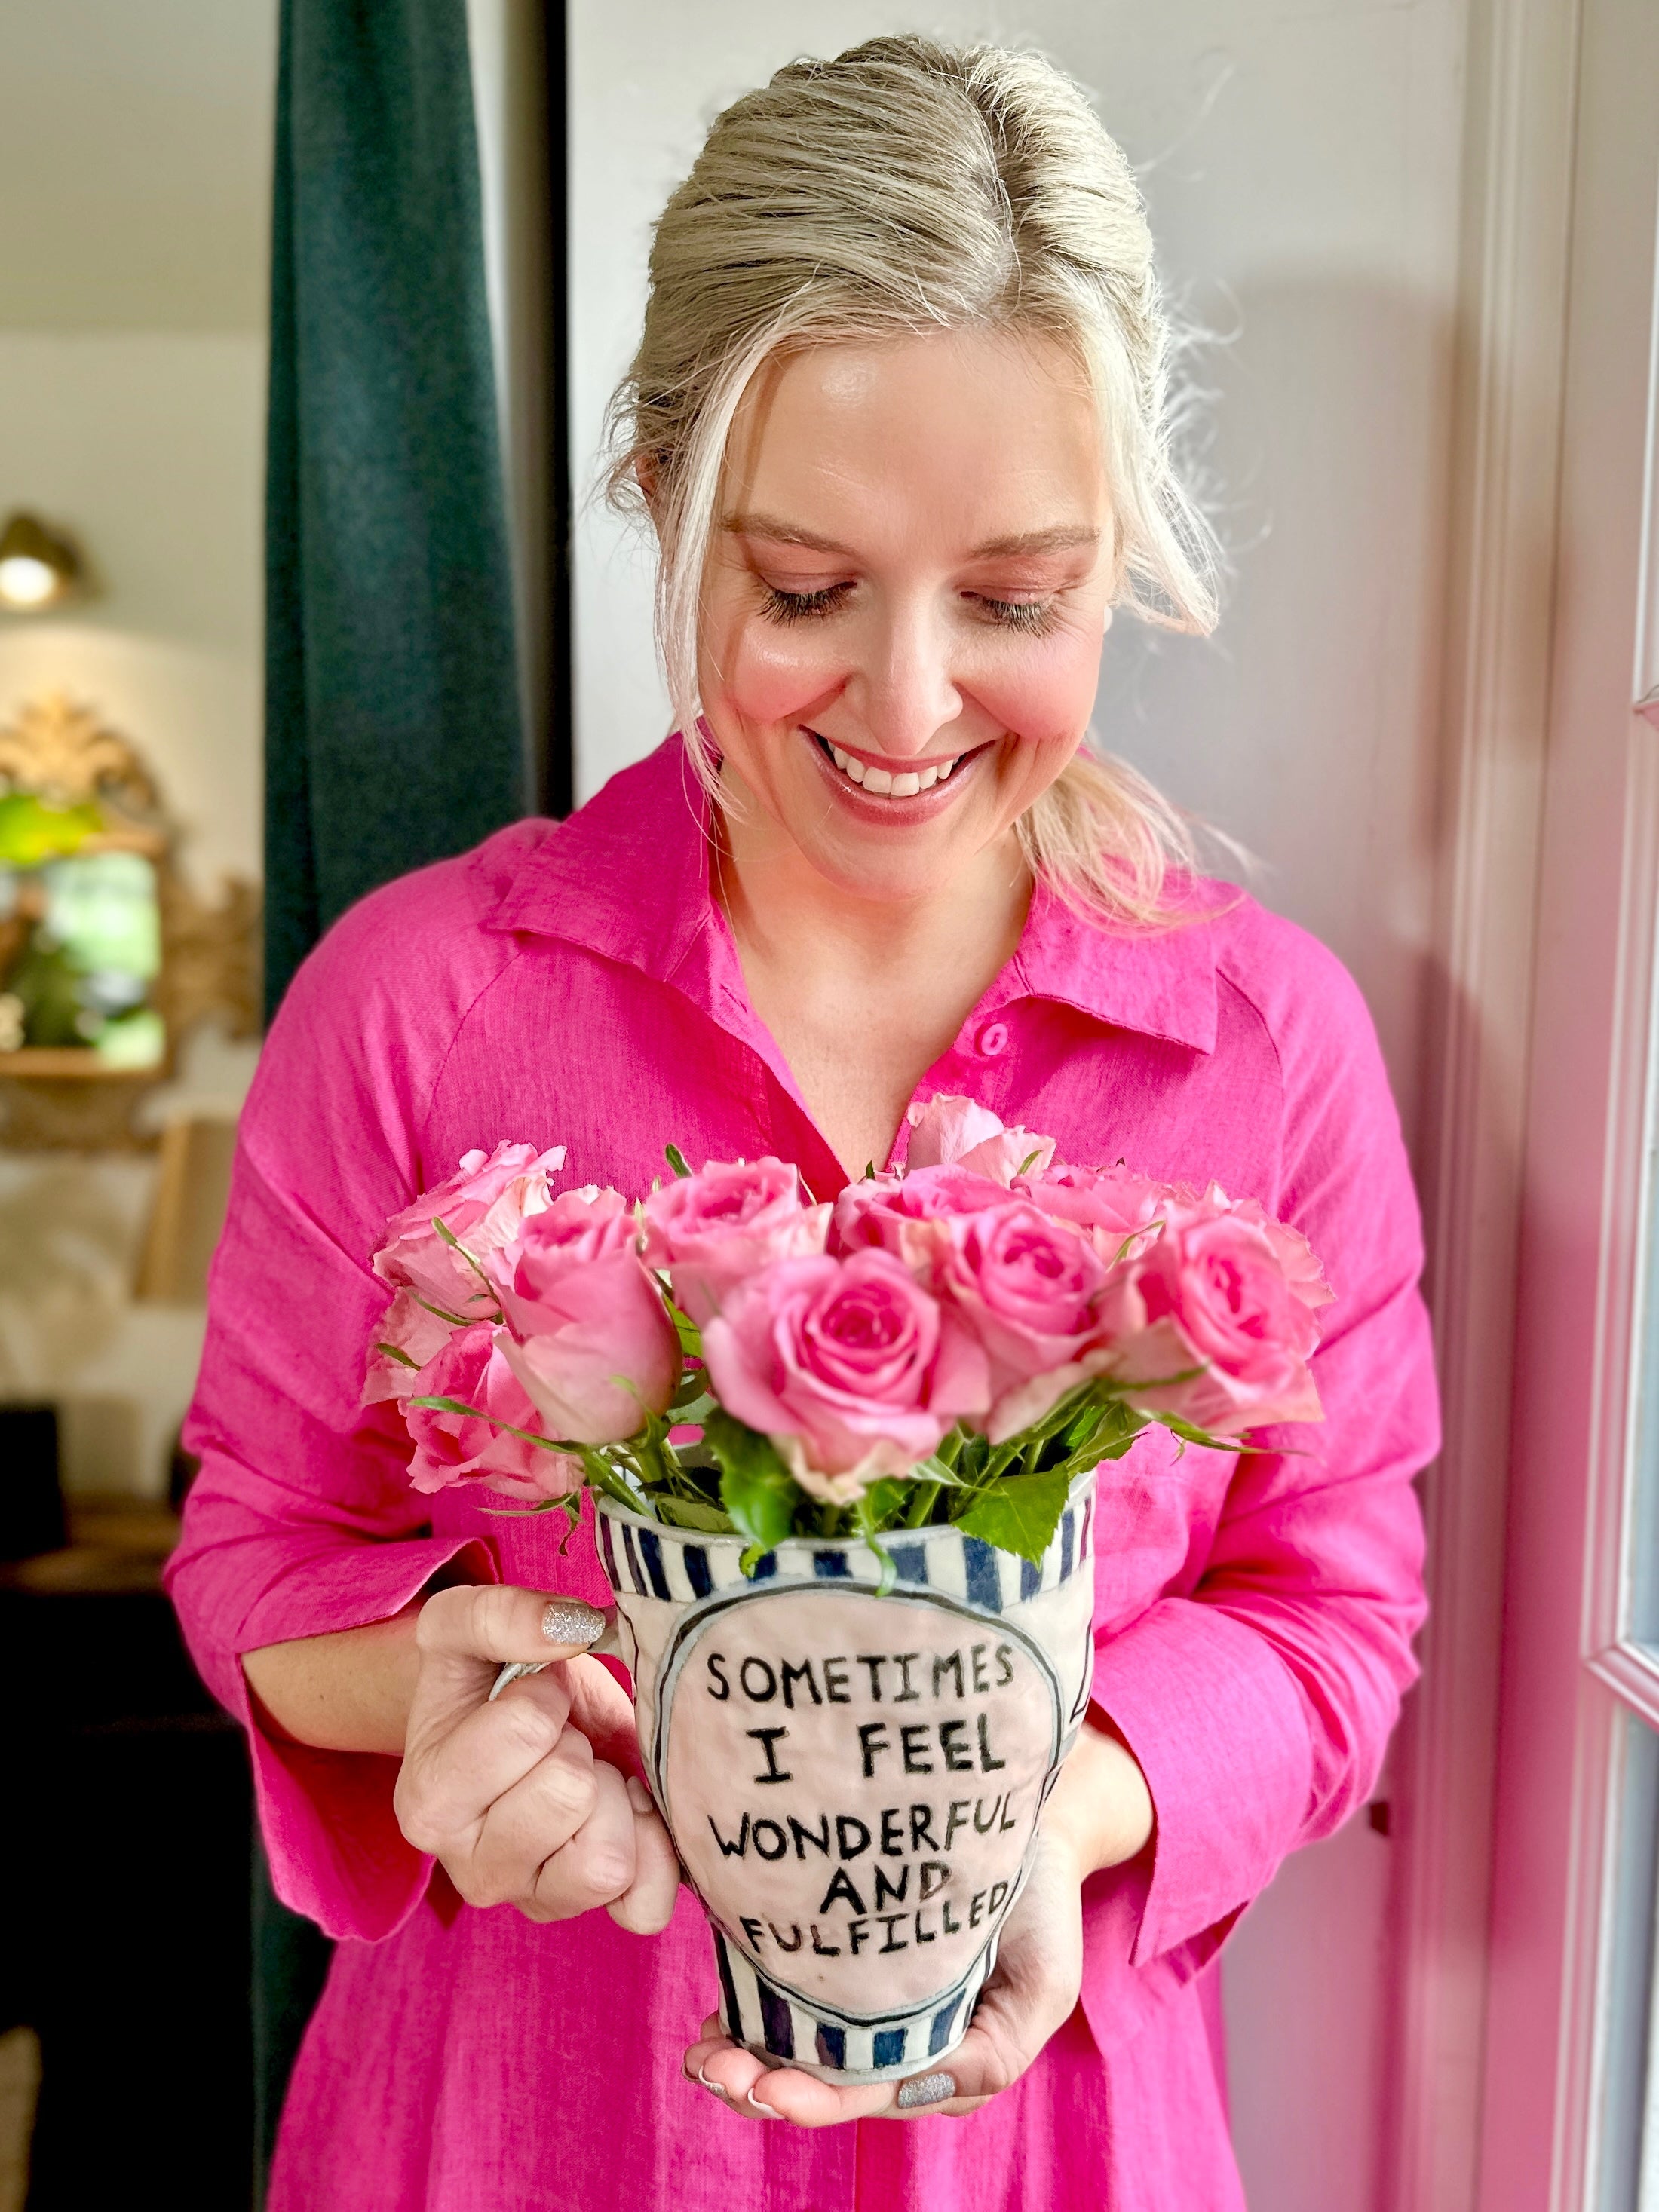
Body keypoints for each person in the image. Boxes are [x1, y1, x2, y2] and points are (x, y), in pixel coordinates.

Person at [167, 35, 1437, 2210]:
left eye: (1018, 600)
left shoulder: (1264, 1045)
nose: (913, 703)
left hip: (1049, 2151)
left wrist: (1073, 1808)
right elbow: (254, 1549)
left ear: (1111, 555)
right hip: (513, 2136)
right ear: (664, 493)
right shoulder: (417, 1001)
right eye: (804, 590)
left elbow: (1334, 1611)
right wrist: (436, 1696)